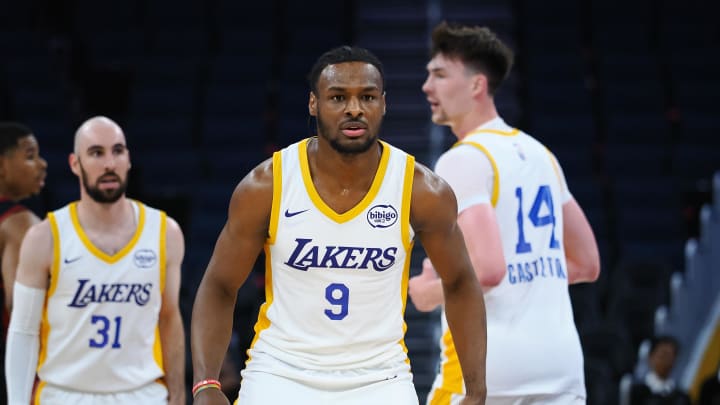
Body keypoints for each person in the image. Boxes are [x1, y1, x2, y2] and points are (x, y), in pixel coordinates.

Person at [191, 46, 488, 405]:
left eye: (367, 96)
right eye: (338, 97)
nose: (354, 108)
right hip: (280, 372)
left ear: (383, 103)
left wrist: (475, 391)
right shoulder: (266, 186)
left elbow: (460, 282)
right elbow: (220, 285)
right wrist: (206, 382)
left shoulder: (422, 191)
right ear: (313, 104)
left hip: (381, 377)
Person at [409, 22, 601, 404]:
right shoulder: (541, 153)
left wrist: (428, 292)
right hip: (560, 366)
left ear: (477, 85)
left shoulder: (462, 159)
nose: (426, 87)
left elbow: (490, 270)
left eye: (440, 75)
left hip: (491, 366)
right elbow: (586, 264)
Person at [5, 116, 186, 404]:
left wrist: (178, 394)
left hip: (142, 394)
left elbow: (170, 318)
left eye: (117, 151)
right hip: (64, 394)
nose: (109, 164)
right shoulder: (44, 238)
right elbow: (23, 330)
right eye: (96, 153)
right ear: (75, 164)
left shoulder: (166, 233)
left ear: (128, 159)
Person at [0, 121, 47, 402]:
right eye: (30, 156)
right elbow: (20, 306)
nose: (42, 164)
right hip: (17, 370)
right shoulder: (20, 223)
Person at [630, 336, 690, 405]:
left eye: (670, 356)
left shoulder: (681, 397)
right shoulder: (637, 392)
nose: (666, 361)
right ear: (651, 357)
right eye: (663, 355)